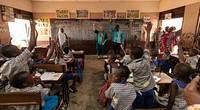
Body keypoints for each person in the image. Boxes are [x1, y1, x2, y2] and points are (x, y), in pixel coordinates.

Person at [0, 20, 37, 92]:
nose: (20, 49)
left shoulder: (5, 65)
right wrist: (32, 28)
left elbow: (3, 79)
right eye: (17, 49)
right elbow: (32, 44)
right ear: (14, 54)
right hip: (25, 89)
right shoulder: (19, 60)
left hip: (11, 90)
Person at [127, 22, 156, 108]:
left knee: (137, 106)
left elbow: (125, 73)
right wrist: (148, 32)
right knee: (149, 106)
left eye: (129, 53)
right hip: (150, 88)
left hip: (140, 90)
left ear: (132, 56)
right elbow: (147, 44)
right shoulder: (146, 58)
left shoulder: (132, 66)